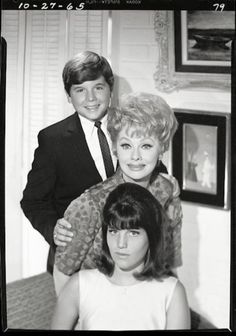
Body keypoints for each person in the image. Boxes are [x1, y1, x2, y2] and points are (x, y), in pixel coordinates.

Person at [53, 91, 182, 295]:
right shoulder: (90, 204)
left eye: (146, 145)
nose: (135, 156)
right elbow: (62, 273)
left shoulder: (165, 191)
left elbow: (168, 261)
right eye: (126, 145)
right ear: (114, 147)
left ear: (162, 148)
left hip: (145, 293)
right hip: (96, 301)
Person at [20, 51, 119, 274]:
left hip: (127, 257)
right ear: (68, 95)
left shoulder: (131, 127)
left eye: (98, 88)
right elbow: (33, 201)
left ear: (110, 89)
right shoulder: (52, 140)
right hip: (76, 257)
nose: (91, 98)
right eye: (80, 90)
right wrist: (53, 228)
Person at [51, 183, 190, 330]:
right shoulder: (79, 285)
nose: (120, 244)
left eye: (133, 233)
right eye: (113, 231)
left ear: (151, 237)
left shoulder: (171, 292)